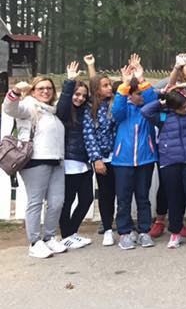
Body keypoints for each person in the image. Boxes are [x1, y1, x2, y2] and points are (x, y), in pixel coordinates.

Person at [3, 68, 71, 258]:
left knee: (57, 202)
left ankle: (49, 237)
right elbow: (10, 108)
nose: (45, 91)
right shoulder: (28, 106)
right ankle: (34, 242)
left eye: (49, 88)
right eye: (40, 88)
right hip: (35, 161)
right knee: (36, 202)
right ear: (33, 91)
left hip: (56, 161)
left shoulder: (52, 111)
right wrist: (16, 91)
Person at [141, 83, 186, 249]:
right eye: (182, 107)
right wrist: (161, 102)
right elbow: (145, 111)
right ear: (173, 107)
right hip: (170, 162)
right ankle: (175, 233)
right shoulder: (162, 117)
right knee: (174, 199)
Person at [111, 55, 159, 251]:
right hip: (123, 161)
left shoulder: (147, 111)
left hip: (145, 160)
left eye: (142, 93)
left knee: (143, 198)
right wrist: (124, 84)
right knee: (123, 199)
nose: (141, 96)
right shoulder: (124, 111)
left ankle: (144, 231)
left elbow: (154, 101)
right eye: (138, 93)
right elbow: (116, 109)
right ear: (130, 95)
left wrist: (141, 79)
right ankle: (124, 232)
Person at [59, 72, 97, 249]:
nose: (80, 98)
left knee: (87, 199)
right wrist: (69, 82)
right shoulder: (65, 111)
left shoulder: (86, 111)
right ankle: (66, 235)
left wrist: (91, 68)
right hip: (69, 163)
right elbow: (62, 106)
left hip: (84, 163)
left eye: (83, 95)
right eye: (77, 94)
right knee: (67, 201)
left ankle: (71, 232)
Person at [83, 59, 118, 245]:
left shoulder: (115, 103)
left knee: (122, 192)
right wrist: (96, 159)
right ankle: (107, 226)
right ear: (97, 90)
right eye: (105, 86)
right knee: (105, 193)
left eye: (110, 84)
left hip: (119, 157)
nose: (109, 87)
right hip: (103, 158)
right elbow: (89, 135)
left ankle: (124, 223)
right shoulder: (91, 109)